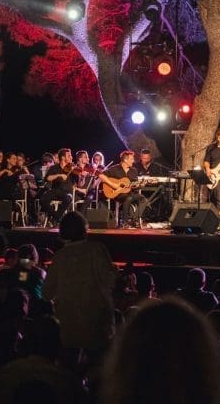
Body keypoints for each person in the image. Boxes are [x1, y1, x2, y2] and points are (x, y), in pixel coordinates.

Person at [42, 211, 117, 364]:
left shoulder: (60, 256)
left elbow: (46, 293)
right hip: (97, 325)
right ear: (84, 229)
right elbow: (110, 281)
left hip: (69, 326)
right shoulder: (97, 250)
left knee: (69, 369)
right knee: (98, 367)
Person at [100, 150, 148, 227]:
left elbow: (134, 185)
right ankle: (125, 222)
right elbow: (101, 175)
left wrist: (140, 185)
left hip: (131, 193)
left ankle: (133, 219)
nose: (133, 161)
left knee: (144, 200)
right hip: (118, 193)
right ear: (125, 160)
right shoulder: (114, 168)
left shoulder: (134, 170)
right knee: (128, 198)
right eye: (131, 159)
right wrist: (113, 184)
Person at [39, 148, 77, 225]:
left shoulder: (73, 169)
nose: (71, 157)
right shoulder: (54, 168)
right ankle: (56, 216)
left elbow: (78, 182)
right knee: (42, 200)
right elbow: (48, 178)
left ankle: (55, 218)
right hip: (55, 191)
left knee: (68, 199)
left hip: (67, 192)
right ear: (63, 157)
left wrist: (81, 176)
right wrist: (59, 175)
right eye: (69, 156)